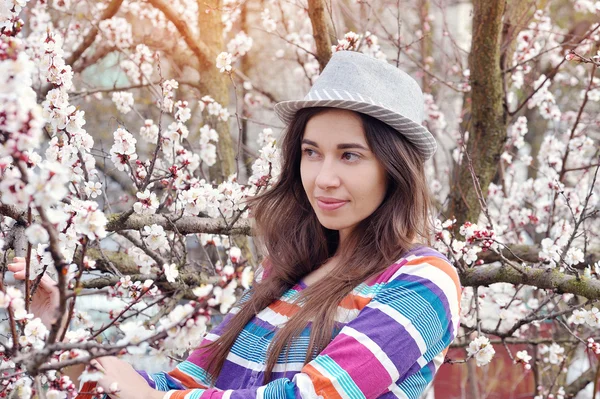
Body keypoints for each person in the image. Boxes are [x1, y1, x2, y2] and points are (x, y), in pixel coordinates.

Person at [9, 50, 461, 399]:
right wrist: (60, 332)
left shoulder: (423, 280)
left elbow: (310, 395)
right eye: (310, 152)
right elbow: (181, 382)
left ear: (395, 168)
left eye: (350, 154)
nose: (324, 178)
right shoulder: (282, 276)